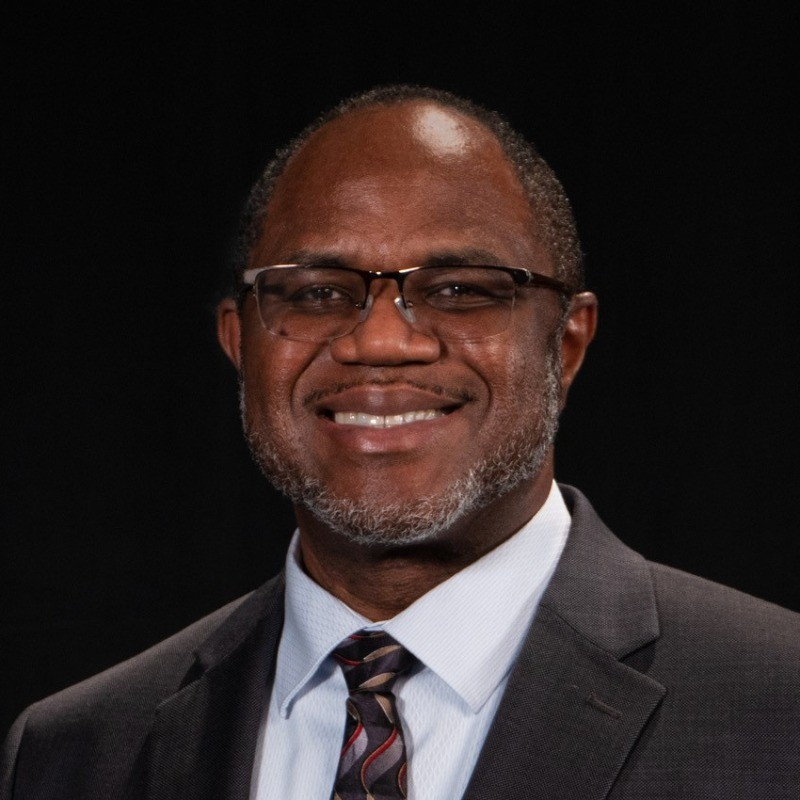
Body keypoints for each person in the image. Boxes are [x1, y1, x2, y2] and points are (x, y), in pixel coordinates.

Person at [2, 85, 798, 800]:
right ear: (240, 343)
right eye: (318, 292)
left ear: (566, 344)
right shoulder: (76, 753)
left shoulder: (777, 708)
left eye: (459, 290)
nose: (380, 342)